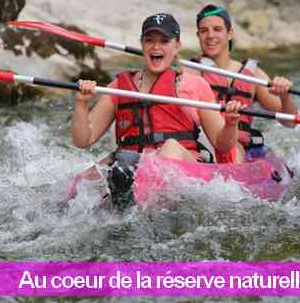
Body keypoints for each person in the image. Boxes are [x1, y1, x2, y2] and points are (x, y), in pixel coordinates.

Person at [67, 12, 244, 210]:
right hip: (130, 163)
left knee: (171, 146)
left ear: (177, 46)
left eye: (164, 41)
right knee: (80, 185)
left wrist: (231, 123)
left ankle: (136, 203)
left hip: (182, 167)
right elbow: (83, 140)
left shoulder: (195, 85)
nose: (156, 47)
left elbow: (222, 143)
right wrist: (81, 104)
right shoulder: (118, 87)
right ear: (142, 45)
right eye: (149, 40)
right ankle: (122, 201)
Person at [192, 4, 298, 163]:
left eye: (217, 29)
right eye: (204, 31)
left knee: (274, 160)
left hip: (245, 146)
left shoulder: (252, 75)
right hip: (209, 145)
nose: (210, 35)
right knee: (233, 150)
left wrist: (285, 96)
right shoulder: (191, 70)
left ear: (230, 33)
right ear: (198, 35)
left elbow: (289, 122)